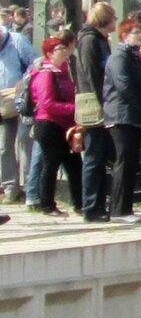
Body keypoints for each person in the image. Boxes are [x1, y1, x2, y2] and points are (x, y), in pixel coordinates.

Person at [102, 18, 141, 224]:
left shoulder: (134, 58)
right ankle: (119, 210)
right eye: (135, 33)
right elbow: (124, 86)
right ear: (124, 36)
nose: (140, 36)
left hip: (134, 117)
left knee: (131, 162)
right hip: (122, 116)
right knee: (124, 162)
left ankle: (126, 207)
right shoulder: (119, 57)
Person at [31, 35, 80, 216]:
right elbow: (47, 104)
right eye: (60, 48)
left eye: (65, 47)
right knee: (50, 164)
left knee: (74, 163)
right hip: (49, 124)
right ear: (50, 53)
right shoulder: (46, 74)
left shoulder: (64, 71)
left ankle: (80, 203)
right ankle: (47, 205)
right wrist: (74, 108)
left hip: (65, 124)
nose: (65, 50)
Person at [77, 1, 116, 222]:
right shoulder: (91, 41)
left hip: (101, 102)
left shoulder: (100, 40)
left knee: (101, 156)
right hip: (94, 105)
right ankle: (90, 206)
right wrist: (106, 103)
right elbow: (93, 75)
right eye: (113, 17)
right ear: (105, 19)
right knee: (94, 156)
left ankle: (99, 202)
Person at [0, 25, 33, 203]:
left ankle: (30, 187)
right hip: (2, 102)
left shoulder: (17, 41)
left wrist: (24, 80)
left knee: (24, 140)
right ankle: (10, 187)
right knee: (4, 146)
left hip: (22, 98)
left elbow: (35, 62)